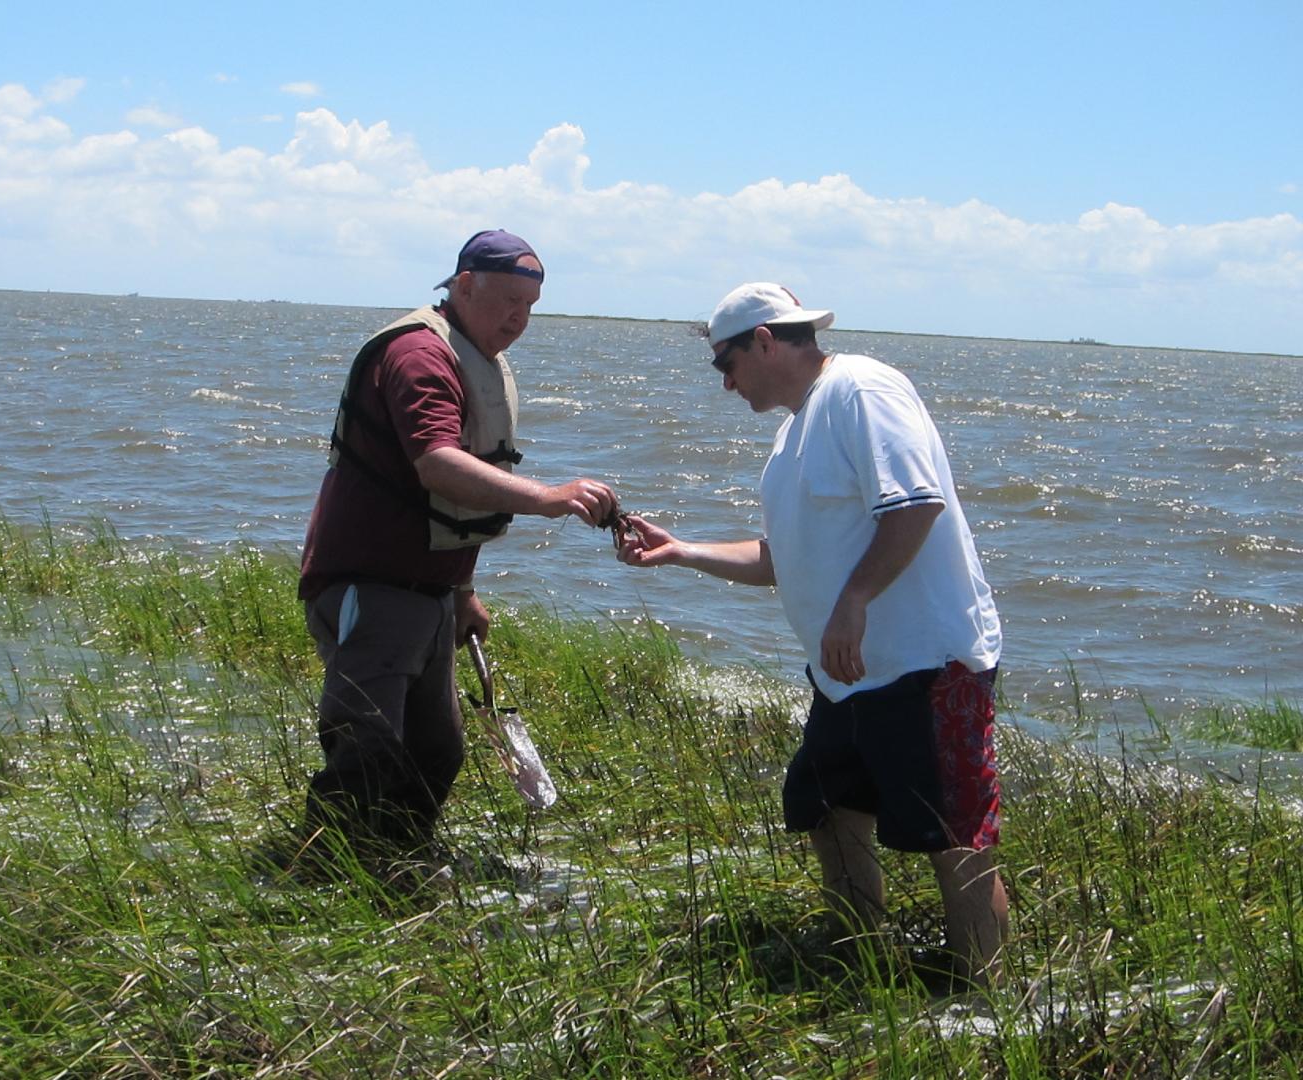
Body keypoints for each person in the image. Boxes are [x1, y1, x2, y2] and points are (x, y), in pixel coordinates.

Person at [617, 282, 1008, 984]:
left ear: (765, 341)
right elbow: (780, 559)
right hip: (848, 676)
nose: (725, 382)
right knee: (826, 805)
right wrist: (680, 551)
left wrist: (854, 600)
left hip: (926, 662)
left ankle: (985, 996)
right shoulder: (792, 433)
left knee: (955, 836)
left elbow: (916, 506)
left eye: (726, 364)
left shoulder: (862, 390)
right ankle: (861, 958)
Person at [293, 229, 617, 876]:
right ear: (464, 286)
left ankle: (400, 865)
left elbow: (455, 510)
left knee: (437, 752)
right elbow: (437, 464)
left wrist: (463, 591)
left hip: (432, 594)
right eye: (508, 301)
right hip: (370, 585)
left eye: (530, 307)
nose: (519, 320)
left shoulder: (475, 356)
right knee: (368, 745)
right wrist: (550, 498)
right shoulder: (419, 355)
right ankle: (319, 876)